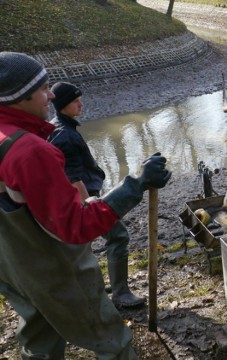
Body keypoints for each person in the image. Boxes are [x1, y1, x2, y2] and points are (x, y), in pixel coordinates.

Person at [0, 51, 171, 359]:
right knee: (109, 339)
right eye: (43, 88)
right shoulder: (29, 150)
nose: (50, 95)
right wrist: (138, 183)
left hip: (10, 267)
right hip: (52, 270)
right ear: (17, 98)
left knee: (40, 339)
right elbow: (75, 227)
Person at [48, 82, 144, 308]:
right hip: (84, 198)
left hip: (75, 199)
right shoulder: (65, 136)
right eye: (75, 101)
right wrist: (89, 206)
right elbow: (73, 179)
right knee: (118, 237)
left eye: (80, 99)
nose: (81, 104)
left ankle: (95, 285)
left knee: (84, 246)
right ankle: (121, 294)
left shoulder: (56, 127)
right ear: (62, 105)